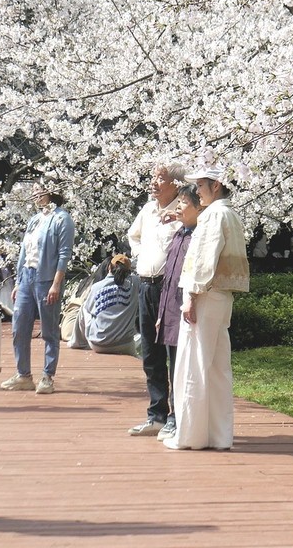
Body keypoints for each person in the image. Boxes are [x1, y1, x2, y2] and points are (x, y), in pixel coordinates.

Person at [164, 166, 249, 451]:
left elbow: (203, 260)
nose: (197, 191)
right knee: (216, 367)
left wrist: (191, 295)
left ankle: (191, 435)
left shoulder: (214, 215)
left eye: (201, 185)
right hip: (220, 296)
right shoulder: (229, 214)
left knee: (194, 363)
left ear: (216, 185)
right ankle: (218, 435)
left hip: (206, 294)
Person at [2, 179, 75, 395]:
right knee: (19, 327)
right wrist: (18, 282)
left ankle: (47, 376)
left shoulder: (62, 219)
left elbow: (64, 255)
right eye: (33, 190)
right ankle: (23, 375)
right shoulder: (34, 220)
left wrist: (56, 284)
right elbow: (24, 252)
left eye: (39, 190)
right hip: (27, 276)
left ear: (51, 191)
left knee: (49, 330)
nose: (35, 194)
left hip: (47, 279)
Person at [127, 163, 184, 437]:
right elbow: (133, 235)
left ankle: (176, 417)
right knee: (150, 353)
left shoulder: (183, 211)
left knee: (173, 352)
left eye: (160, 178)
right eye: (153, 177)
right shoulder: (148, 209)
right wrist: (141, 255)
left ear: (175, 184)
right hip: (146, 286)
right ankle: (157, 415)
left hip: (170, 287)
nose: (153, 183)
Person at [152, 183, 201, 442]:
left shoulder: (198, 237)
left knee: (183, 366)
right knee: (173, 362)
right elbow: (168, 278)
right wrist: (161, 312)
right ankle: (172, 416)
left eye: (184, 202)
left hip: (187, 310)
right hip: (170, 309)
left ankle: (178, 417)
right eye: (179, 201)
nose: (178, 206)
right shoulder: (180, 233)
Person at [83, 254, 141, 355]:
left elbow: (89, 310)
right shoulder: (135, 283)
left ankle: (77, 342)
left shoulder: (97, 287)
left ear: (109, 267)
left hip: (98, 344)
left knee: (84, 308)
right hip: (125, 344)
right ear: (129, 271)